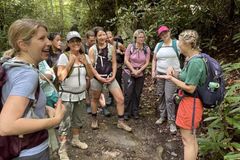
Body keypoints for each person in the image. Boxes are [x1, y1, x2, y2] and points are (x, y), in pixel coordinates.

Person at [0, 18, 65, 160]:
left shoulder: (10, 64)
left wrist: (43, 109)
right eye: (41, 38)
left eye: (47, 37)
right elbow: (6, 125)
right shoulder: (27, 74)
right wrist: (56, 120)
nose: (48, 42)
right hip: (30, 151)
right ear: (23, 44)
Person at [157, 30, 206, 160]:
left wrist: (171, 79)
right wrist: (175, 73)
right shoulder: (191, 59)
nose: (178, 46)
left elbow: (190, 88)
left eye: (181, 44)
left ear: (189, 44)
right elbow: (186, 78)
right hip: (189, 102)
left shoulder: (196, 62)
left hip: (191, 103)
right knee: (191, 137)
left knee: (187, 141)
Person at [88, 27, 132, 132]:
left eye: (103, 34)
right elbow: (91, 66)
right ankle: (94, 119)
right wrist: (98, 77)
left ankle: (121, 122)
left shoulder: (111, 47)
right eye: (99, 35)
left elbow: (114, 62)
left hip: (110, 76)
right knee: (95, 98)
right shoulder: (92, 49)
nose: (102, 37)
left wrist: (113, 76)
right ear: (96, 37)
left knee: (120, 98)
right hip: (97, 77)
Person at [57, 31, 90, 160]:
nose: (75, 43)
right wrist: (70, 62)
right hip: (67, 96)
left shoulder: (84, 56)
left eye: (78, 41)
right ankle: (62, 149)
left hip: (81, 95)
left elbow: (91, 76)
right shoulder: (64, 57)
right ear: (68, 43)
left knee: (77, 120)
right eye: (72, 41)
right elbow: (61, 77)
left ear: (80, 42)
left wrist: (86, 63)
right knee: (64, 123)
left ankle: (75, 140)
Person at [152, 25, 180, 133]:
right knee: (160, 95)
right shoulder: (159, 45)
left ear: (169, 32)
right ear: (160, 36)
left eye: (165, 32)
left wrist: (179, 72)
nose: (164, 35)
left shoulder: (176, 44)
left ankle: (171, 121)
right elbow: (154, 59)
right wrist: (153, 71)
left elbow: (187, 55)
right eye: (162, 34)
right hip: (160, 74)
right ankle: (162, 116)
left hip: (171, 76)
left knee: (169, 98)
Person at [123, 29, 151, 120]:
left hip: (140, 72)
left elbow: (147, 62)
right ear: (135, 38)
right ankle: (126, 112)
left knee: (137, 93)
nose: (142, 39)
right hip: (129, 72)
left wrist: (139, 71)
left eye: (143, 37)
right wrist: (132, 70)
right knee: (128, 92)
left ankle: (135, 111)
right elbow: (126, 60)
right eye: (140, 37)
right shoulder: (131, 46)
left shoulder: (146, 49)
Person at [84, 30, 111, 117]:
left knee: (99, 90)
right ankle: (88, 104)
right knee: (87, 88)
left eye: (93, 40)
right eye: (90, 41)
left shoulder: (98, 47)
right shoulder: (84, 48)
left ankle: (103, 106)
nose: (92, 42)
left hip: (97, 71)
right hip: (86, 70)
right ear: (87, 40)